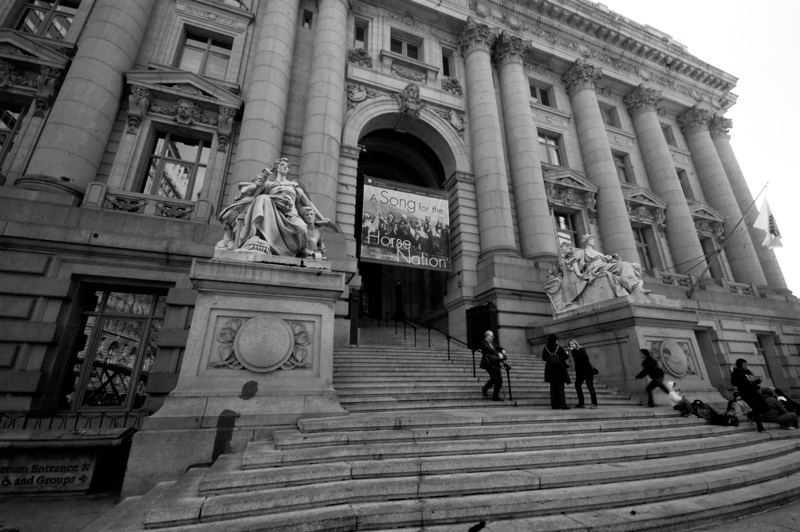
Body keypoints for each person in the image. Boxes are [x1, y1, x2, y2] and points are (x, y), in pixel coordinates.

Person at [237, 157, 336, 256]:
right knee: (262, 198)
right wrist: (262, 181)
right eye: (282, 165)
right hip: (273, 212)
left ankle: (302, 249)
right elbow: (255, 197)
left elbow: (308, 203)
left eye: (287, 166)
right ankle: (253, 236)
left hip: (291, 214)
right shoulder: (269, 184)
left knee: (302, 228)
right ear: (276, 168)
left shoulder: (294, 185)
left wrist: (322, 218)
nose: (285, 167)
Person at [562, 234, 647, 302]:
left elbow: (608, 260)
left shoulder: (597, 252)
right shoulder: (582, 252)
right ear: (587, 242)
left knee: (627, 265)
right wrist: (579, 274)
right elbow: (573, 261)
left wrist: (612, 258)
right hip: (595, 269)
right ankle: (635, 288)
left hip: (604, 266)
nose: (593, 241)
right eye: (591, 239)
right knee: (623, 265)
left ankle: (635, 288)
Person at [730, 358, 768, 432]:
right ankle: (760, 427)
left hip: (754, 391)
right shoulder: (736, 373)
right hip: (746, 393)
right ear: (740, 365)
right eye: (744, 365)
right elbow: (735, 383)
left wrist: (757, 381)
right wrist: (743, 381)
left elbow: (752, 382)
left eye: (746, 365)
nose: (746, 366)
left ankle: (751, 414)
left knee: (764, 406)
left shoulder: (748, 372)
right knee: (756, 408)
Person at [542, 334, 571, 410]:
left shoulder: (546, 348)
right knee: (560, 387)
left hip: (550, 369)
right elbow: (565, 356)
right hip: (559, 368)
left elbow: (544, 357)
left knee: (553, 388)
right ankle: (563, 404)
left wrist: (550, 360)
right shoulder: (559, 347)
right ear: (556, 340)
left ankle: (554, 405)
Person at [568, 339, 597, 409]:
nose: (571, 346)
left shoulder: (581, 350)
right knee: (577, 385)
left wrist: (574, 350)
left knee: (590, 387)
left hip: (587, 371)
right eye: (570, 345)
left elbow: (583, 358)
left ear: (576, 344)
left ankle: (594, 403)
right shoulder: (573, 352)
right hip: (580, 372)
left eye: (572, 344)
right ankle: (581, 403)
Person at [479, 330, 507, 402]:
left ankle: (495, 396)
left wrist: (502, 350)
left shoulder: (492, 343)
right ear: (487, 336)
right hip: (488, 363)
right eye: (491, 336)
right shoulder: (483, 343)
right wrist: (498, 353)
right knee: (494, 378)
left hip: (495, 363)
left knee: (500, 381)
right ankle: (485, 388)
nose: (493, 337)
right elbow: (489, 349)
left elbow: (498, 347)